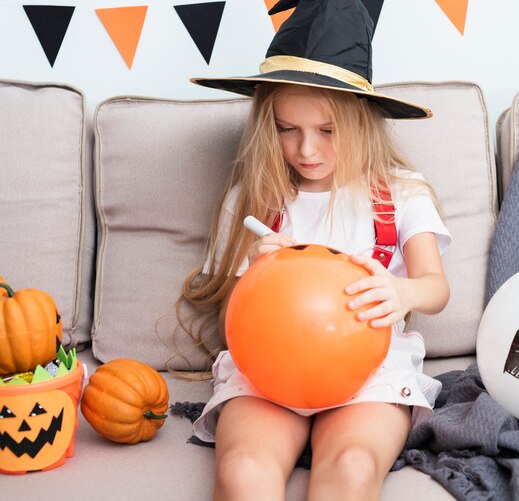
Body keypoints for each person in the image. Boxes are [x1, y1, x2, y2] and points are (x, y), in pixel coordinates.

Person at [179, 0, 451, 499]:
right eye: (288, 129)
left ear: (364, 122)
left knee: (351, 467)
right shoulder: (254, 199)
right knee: (242, 469)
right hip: (267, 371)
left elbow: (436, 288)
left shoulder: (402, 191)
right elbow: (229, 321)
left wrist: (402, 291)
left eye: (328, 130)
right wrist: (254, 282)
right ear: (268, 126)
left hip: (368, 373)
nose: (307, 150)